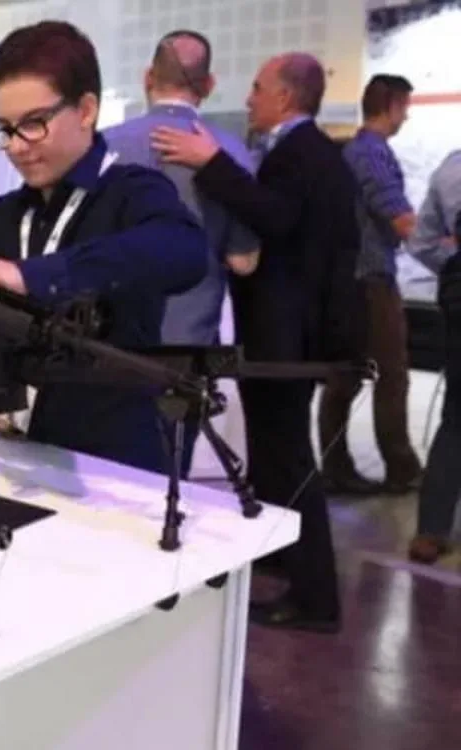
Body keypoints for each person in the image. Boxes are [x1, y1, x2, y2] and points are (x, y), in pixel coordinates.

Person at [0, 21, 208, 474]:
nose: (16, 147)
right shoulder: (7, 212)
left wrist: (31, 276)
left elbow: (184, 251)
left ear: (86, 110)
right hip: (20, 456)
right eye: (5, 129)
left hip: (115, 462)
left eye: (33, 124)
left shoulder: (131, 190)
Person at [152, 53, 365, 632]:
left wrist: (210, 162)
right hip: (284, 333)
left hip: (288, 338)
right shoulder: (307, 153)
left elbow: (274, 217)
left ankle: (315, 598)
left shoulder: (302, 155)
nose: (249, 98)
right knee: (273, 450)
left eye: (257, 87)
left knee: (288, 455)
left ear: (286, 96)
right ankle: (283, 554)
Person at [102, 29, 259, 477]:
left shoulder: (105, 146)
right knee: (171, 468)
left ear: (147, 77)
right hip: (189, 345)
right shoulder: (232, 154)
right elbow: (244, 261)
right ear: (208, 85)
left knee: (109, 471)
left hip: (110, 340)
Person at [318, 74, 422, 495]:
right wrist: (435, 240)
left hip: (354, 278)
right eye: (404, 107)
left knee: (346, 374)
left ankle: (337, 467)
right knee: (390, 373)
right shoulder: (372, 152)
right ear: (391, 105)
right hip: (372, 279)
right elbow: (396, 213)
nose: (406, 116)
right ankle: (401, 467)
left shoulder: (354, 151)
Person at [405, 150, 461, 564]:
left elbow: (421, 242)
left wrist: (453, 259)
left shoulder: (451, 167)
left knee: (456, 416)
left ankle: (431, 530)